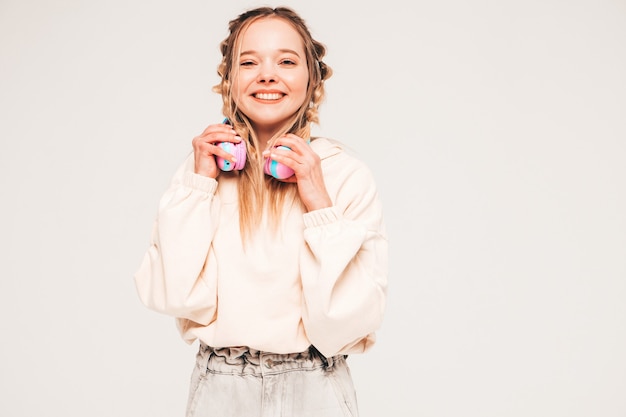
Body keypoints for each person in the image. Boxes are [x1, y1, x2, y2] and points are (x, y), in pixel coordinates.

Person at [134, 6, 388, 417]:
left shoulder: (343, 173)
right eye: (249, 62)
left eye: (286, 61)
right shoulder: (201, 172)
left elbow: (348, 321)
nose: (267, 74)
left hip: (315, 386)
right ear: (229, 80)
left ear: (312, 78)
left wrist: (319, 203)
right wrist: (199, 185)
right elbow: (173, 294)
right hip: (221, 386)